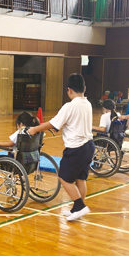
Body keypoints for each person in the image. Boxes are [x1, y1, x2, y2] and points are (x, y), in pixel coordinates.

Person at [27, 73, 95, 221]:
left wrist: (34, 129)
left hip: (76, 148)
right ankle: (78, 208)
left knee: (64, 178)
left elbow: (53, 123)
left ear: (69, 90)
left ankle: (79, 206)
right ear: (84, 88)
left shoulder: (69, 106)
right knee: (80, 178)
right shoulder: (87, 104)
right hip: (89, 146)